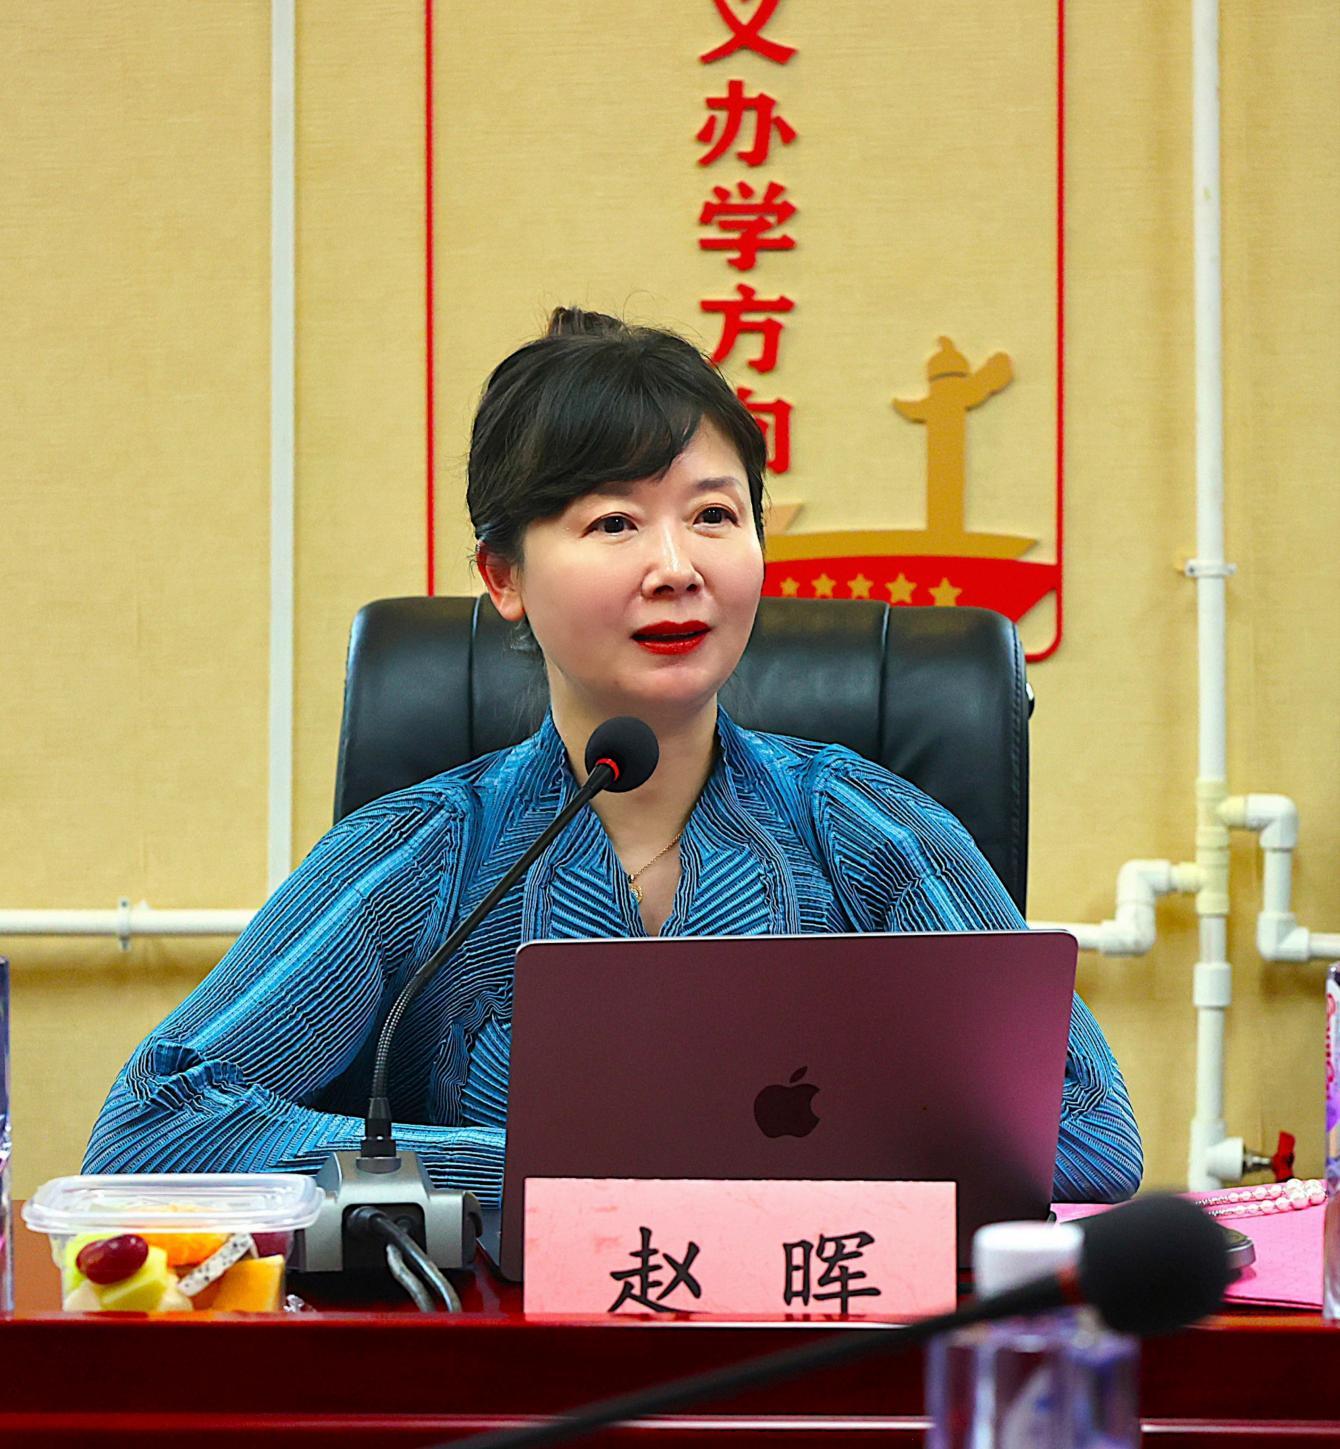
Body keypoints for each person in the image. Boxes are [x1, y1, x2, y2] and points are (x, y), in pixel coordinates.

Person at [84, 307, 1143, 1205]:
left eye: (714, 515)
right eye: (614, 524)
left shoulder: (870, 829)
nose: (676, 566)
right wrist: (544, 1175)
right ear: (503, 576)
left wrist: (696, 1181)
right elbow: (150, 1129)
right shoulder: (427, 853)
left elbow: (1090, 1136)